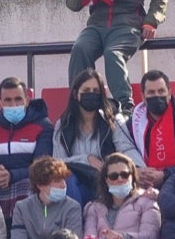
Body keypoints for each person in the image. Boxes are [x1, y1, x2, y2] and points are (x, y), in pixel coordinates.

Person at [52, 67, 142, 199]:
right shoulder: (64, 124)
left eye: (95, 91)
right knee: (67, 179)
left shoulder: (113, 119)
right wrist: (86, 159)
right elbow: (57, 162)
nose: (91, 94)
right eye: (86, 91)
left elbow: (126, 148)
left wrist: (140, 167)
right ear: (76, 94)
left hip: (108, 179)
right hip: (78, 181)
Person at [0, 77, 54, 219]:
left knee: (31, 188)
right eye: (7, 100)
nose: (13, 105)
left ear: (27, 100)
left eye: (18, 99)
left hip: (26, 182)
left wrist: (11, 175)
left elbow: (41, 167)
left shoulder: (43, 126)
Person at [84, 155, 162, 239]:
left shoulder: (147, 201)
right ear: (106, 180)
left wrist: (123, 237)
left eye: (125, 175)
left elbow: (150, 237)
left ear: (132, 177)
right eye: (113, 176)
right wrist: (106, 238)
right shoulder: (94, 207)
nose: (120, 179)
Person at [128, 69, 175, 190]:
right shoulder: (134, 123)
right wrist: (136, 171)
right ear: (143, 97)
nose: (157, 96)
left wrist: (165, 174)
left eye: (161, 91)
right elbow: (123, 154)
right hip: (144, 187)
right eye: (151, 92)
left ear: (169, 93)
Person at [10, 157, 85, 239]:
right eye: (57, 181)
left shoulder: (73, 207)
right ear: (40, 185)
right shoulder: (21, 207)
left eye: (64, 179)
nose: (63, 185)